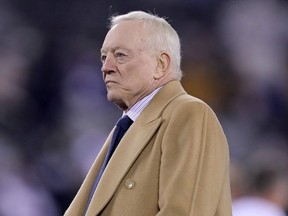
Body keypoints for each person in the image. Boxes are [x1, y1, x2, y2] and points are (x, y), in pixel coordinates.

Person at [64, 11, 232, 216]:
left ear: (161, 65)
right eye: (103, 57)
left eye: (120, 55)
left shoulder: (188, 113)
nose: (106, 67)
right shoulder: (128, 126)